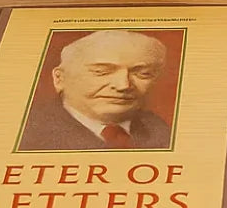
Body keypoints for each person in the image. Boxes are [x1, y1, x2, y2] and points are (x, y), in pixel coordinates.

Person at [18, 29, 173, 151]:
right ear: (60, 79)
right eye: (101, 72)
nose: (123, 85)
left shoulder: (162, 130)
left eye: (143, 73)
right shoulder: (27, 132)